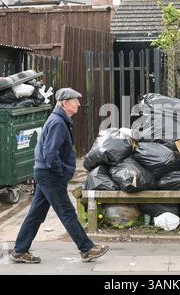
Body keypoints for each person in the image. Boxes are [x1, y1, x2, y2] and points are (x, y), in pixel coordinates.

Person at [10, 88, 109, 264]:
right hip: (50, 174)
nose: (78, 103)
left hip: (45, 173)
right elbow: (50, 154)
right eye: (75, 100)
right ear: (64, 103)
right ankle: (86, 249)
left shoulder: (59, 120)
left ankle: (20, 250)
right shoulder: (58, 123)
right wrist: (61, 173)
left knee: (36, 214)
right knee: (67, 212)